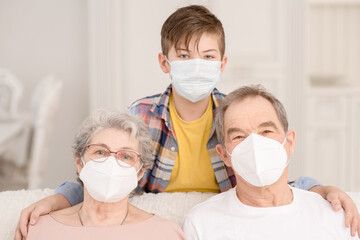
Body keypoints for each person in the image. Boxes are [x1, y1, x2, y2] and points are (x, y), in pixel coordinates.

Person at [15, 5, 360, 239]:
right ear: (165, 62)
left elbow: (269, 173)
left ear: (222, 63)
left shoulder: (234, 115)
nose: (196, 65)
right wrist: (57, 198)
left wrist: (321, 188)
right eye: (184, 55)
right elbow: (110, 164)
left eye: (207, 56)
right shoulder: (143, 113)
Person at [182, 85, 359, 240]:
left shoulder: (335, 215)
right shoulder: (201, 223)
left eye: (266, 131)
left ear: (290, 142)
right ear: (225, 155)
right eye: (239, 136)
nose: (254, 144)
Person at [25, 110, 185, 240]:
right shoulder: (40, 228)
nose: (112, 162)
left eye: (126, 156)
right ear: (80, 162)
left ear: (140, 171)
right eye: (100, 152)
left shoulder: (165, 233)